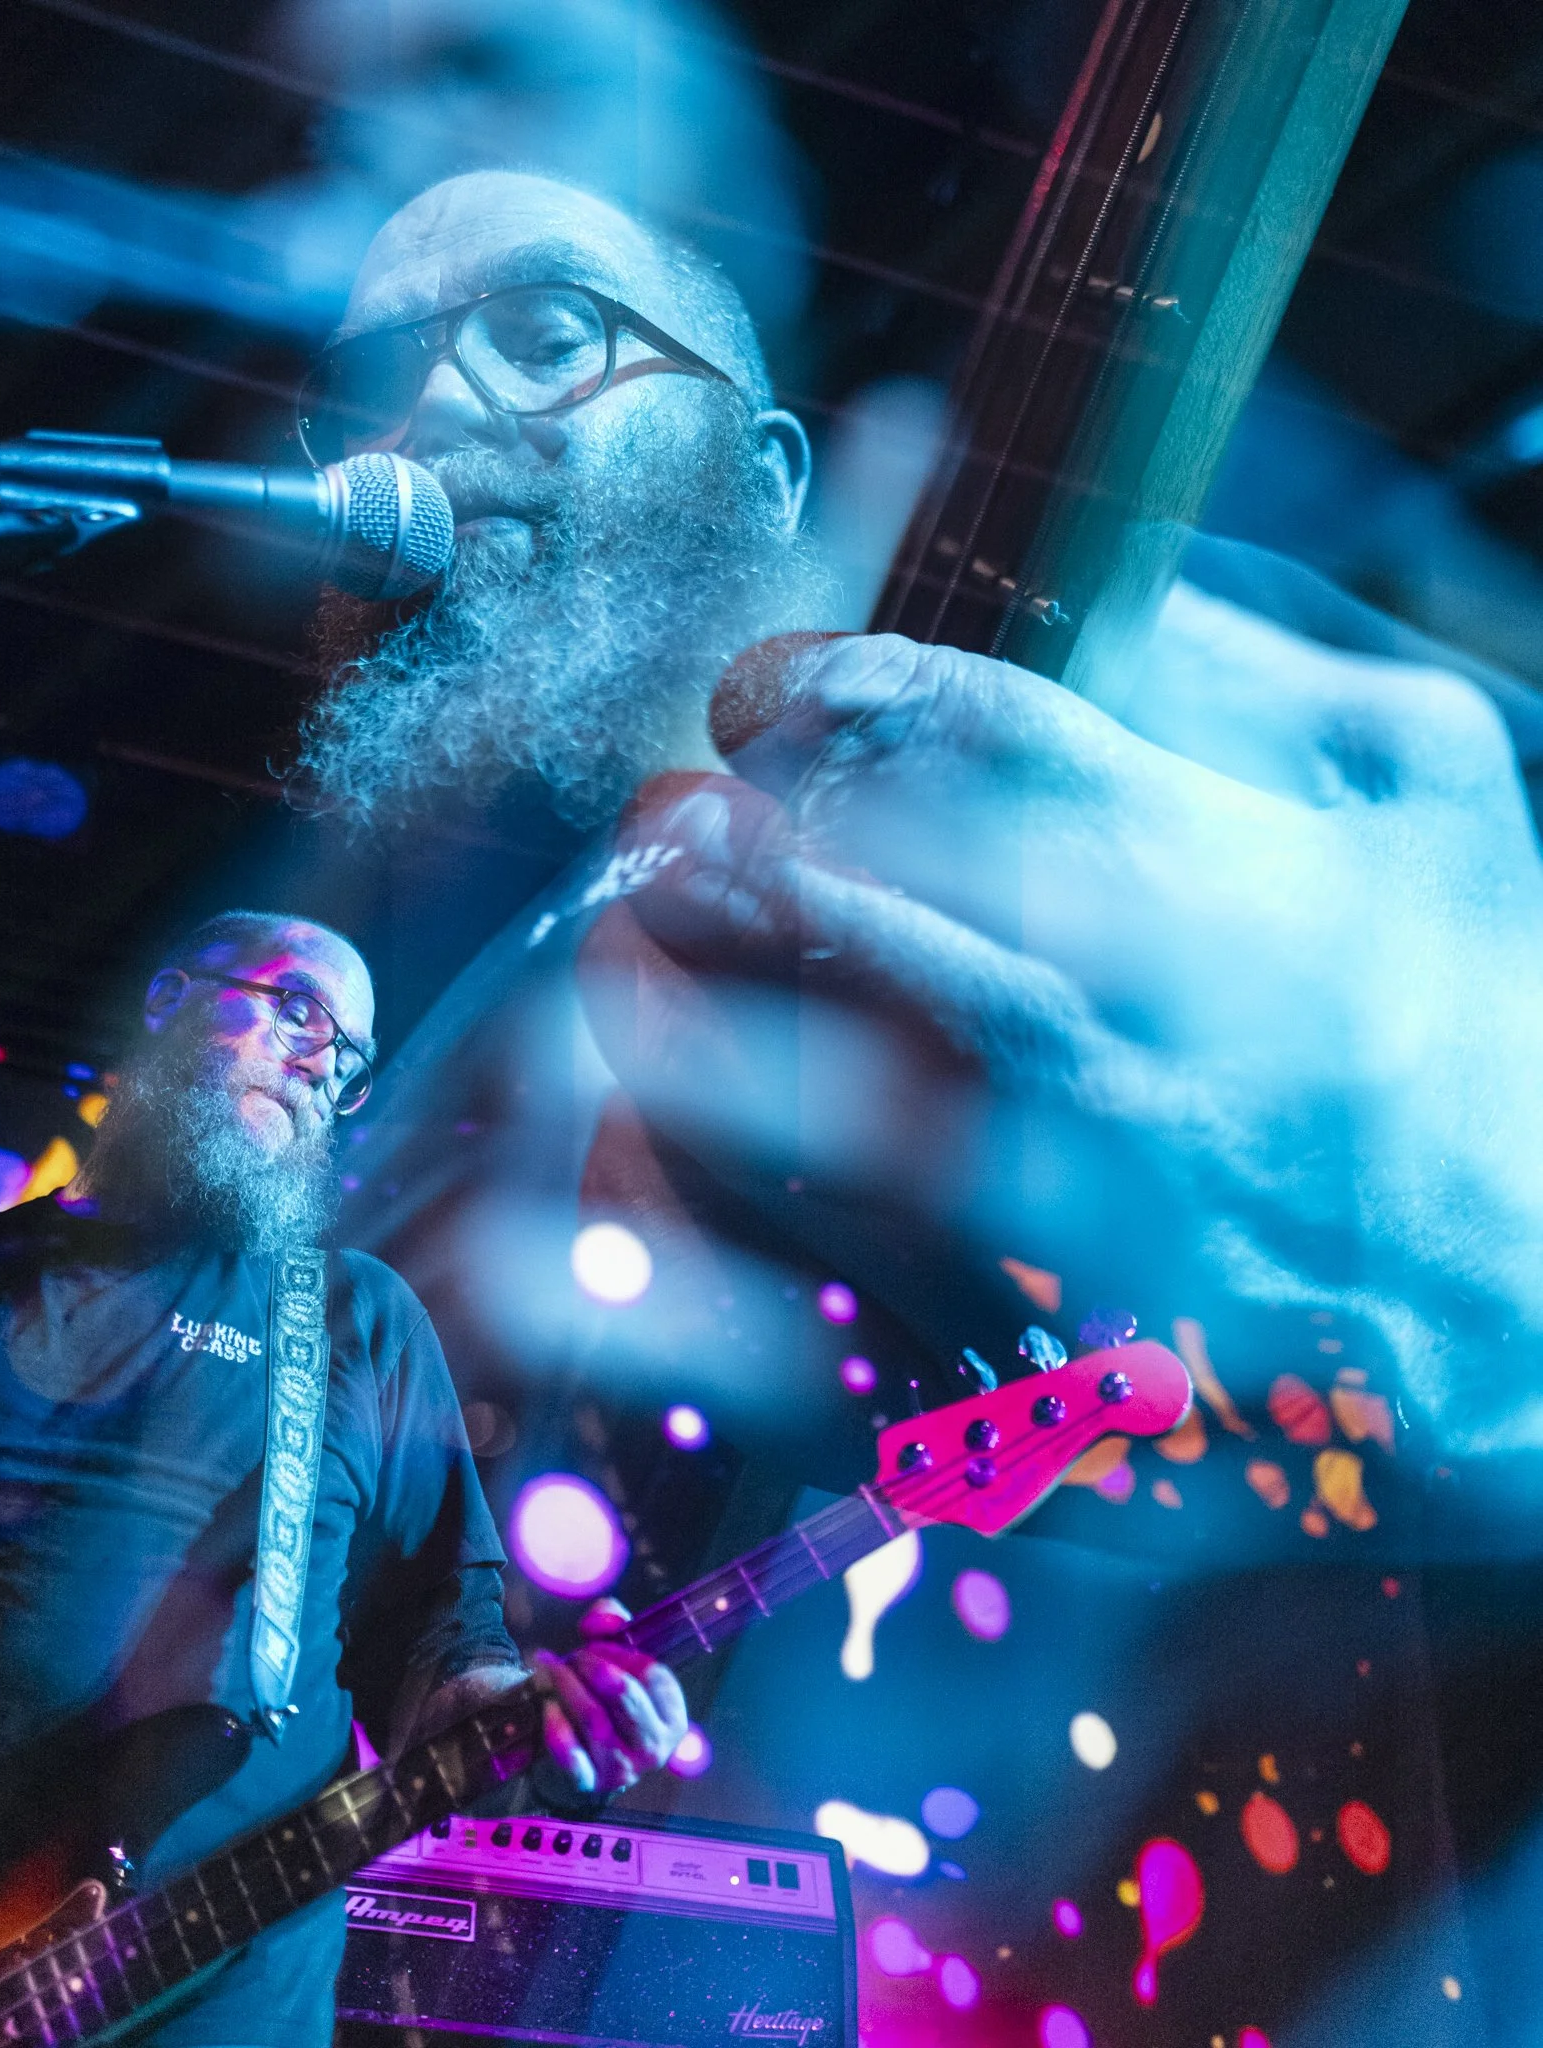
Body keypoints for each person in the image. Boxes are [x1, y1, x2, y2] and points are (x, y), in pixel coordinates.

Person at [299, 168, 1543, 1463]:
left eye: (549, 336)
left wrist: (1504, 1219)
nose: (426, 409)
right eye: (369, 380)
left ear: (769, 471)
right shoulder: (379, 978)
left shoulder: (1172, 594)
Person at [0, 907, 686, 2047]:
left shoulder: (357, 1320)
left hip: (219, 1989)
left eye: (351, 1055)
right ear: (169, 999)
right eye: (296, 1005)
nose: (323, 1061)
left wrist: (556, 1722)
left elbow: (444, 1644)